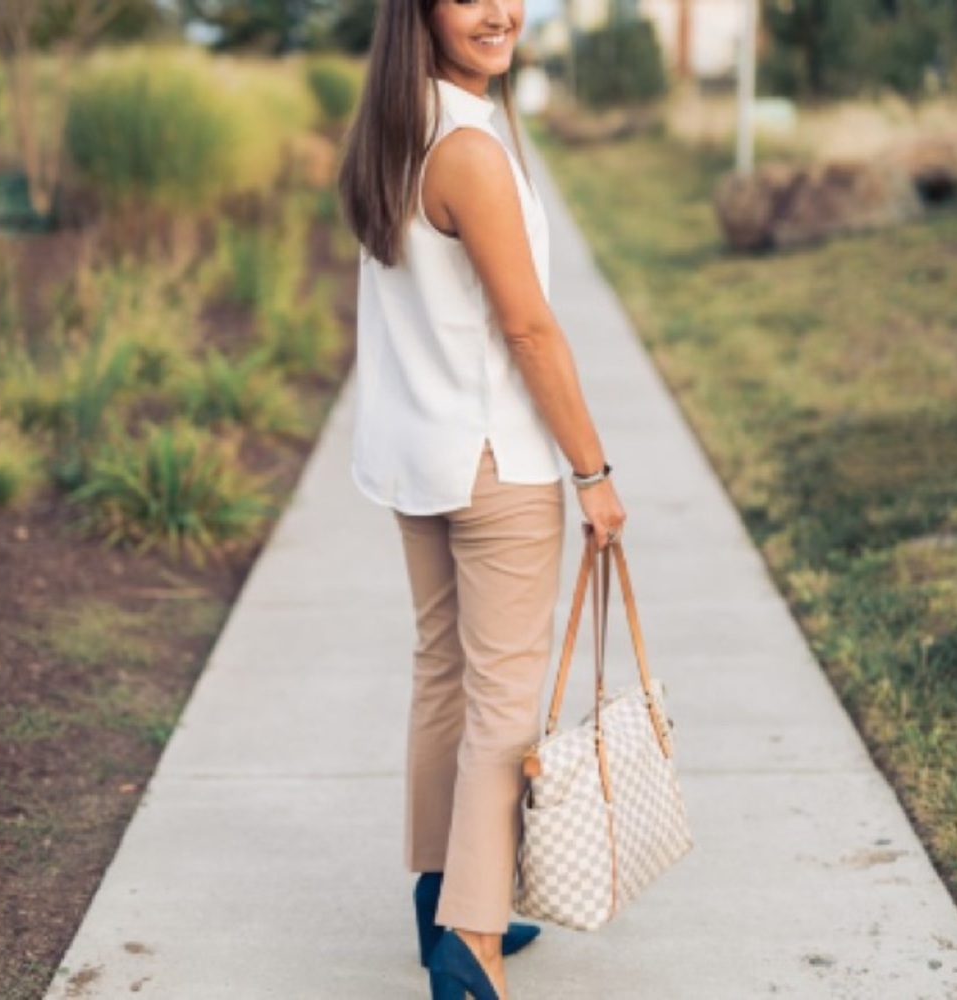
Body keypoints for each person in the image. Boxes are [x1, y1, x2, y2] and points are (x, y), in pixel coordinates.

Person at [338, 0, 626, 995]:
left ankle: (443, 895)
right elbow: (530, 332)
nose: (500, 12)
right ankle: (472, 943)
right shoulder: (468, 148)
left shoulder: (391, 129)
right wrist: (593, 470)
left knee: (443, 678)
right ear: (421, 11)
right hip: (494, 462)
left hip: (415, 454)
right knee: (503, 701)